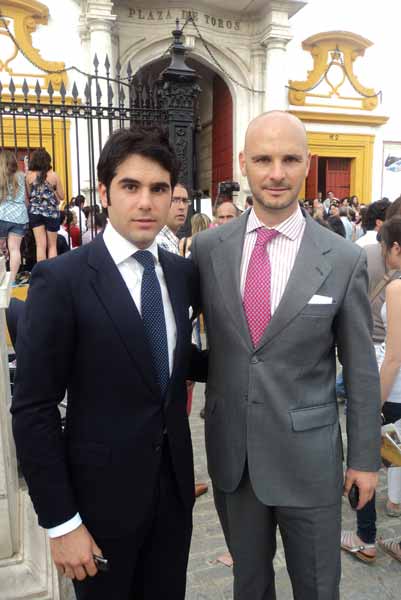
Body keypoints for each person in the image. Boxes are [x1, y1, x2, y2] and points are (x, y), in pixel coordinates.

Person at [191, 111, 381, 600]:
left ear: (307, 164)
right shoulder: (209, 249)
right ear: (243, 164)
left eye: (289, 159)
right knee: (248, 587)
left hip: (310, 463)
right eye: (263, 159)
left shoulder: (342, 258)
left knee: (318, 587)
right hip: (235, 461)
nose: (276, 172)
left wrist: (364, 460)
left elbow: (360, 370)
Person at [11, 126, 206, 600]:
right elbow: (34, 409)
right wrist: (61, 522)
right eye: (130, 187)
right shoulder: (62, 279)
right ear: (105, 192)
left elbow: (175, 362)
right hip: (98, 507)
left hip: (173, 498)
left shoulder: (180, 274)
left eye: (159, 189)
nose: (146, 203)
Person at [26, 148, 64, 261]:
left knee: (40, 246)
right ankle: (52, 275)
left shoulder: (29, 176)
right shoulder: (54, 175)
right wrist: (53, 191)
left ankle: (41, 275)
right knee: (52, 246)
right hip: (51, 212)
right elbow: (62, 196)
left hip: (35, 212)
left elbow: (29, 194)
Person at [0, 151, 28, 283]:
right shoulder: (22, 176)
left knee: (1, 249)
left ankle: (1, 278)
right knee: (14, 249)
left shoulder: (1, 176)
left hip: (2, 214)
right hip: (19, 216)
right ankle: (11, 281)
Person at [156, 182, 190, 253]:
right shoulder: (160, 243)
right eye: (175, 200)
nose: (182, 207)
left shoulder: (173, 242)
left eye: (185, 201)